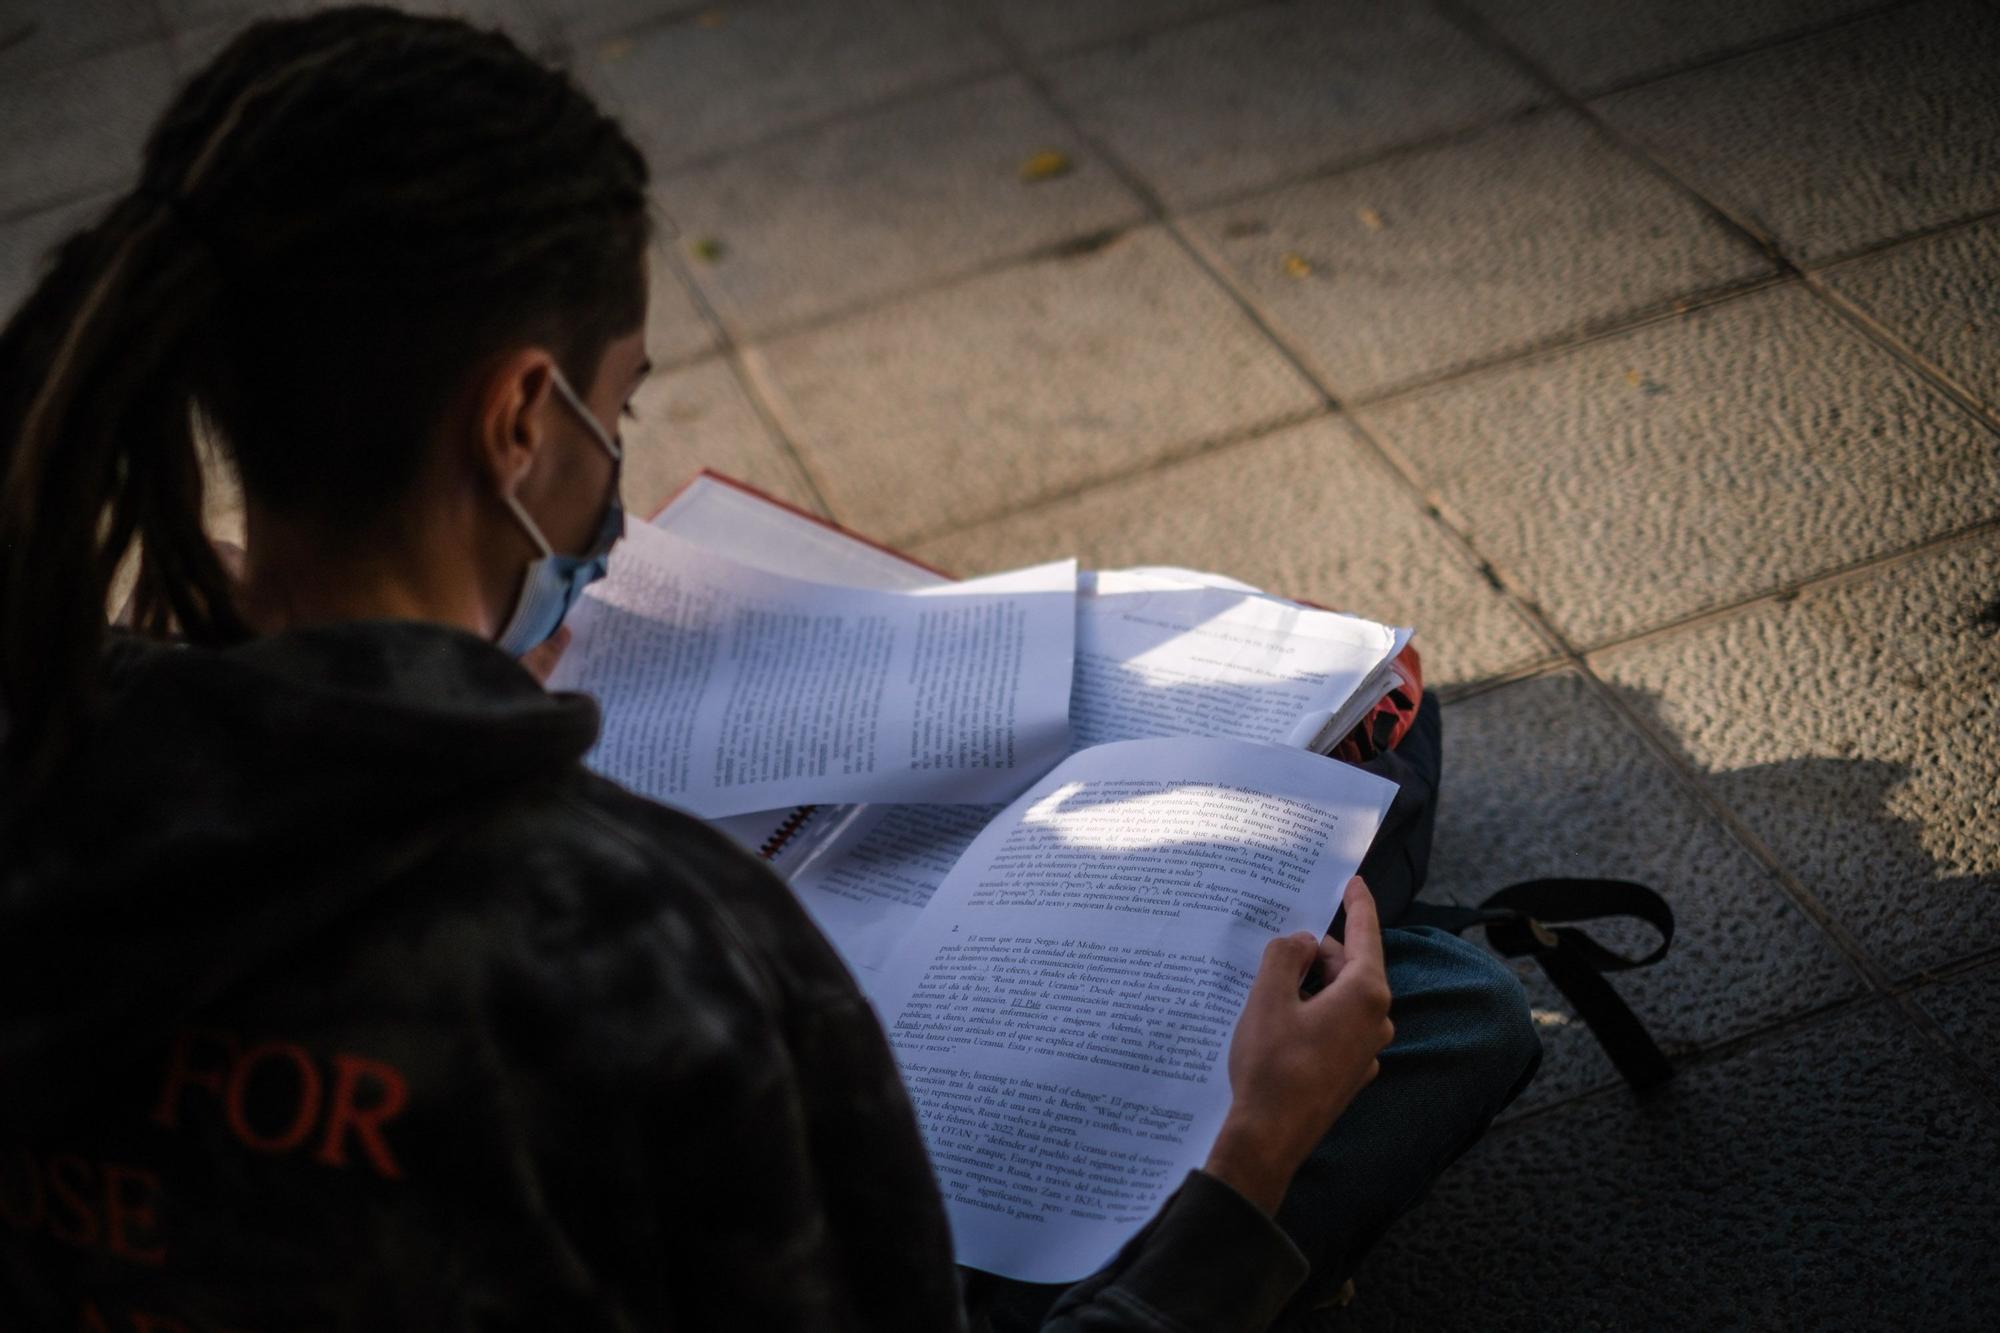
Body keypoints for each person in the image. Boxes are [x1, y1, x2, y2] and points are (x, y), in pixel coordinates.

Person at [0, 9, 1540, 1331]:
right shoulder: (662, 953)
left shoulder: (42, 751)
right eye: (620, 407)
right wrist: (1249, 1167)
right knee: (1431, 968)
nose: (615, 463)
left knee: (1399, 919)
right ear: (519, 420)